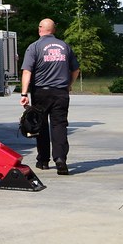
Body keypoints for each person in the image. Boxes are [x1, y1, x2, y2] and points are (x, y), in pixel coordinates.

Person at [20, 18, 80, 175]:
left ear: (40, 29)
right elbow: (76, 70)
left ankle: (43, 161)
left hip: (41, 92)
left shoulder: (34, 47)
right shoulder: (65, 46)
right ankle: (60, 159)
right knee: (59, 125)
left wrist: (24, 93)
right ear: (54, 30)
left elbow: (27, 71)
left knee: (41, 125)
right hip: (61, 92)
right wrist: (69, 84)